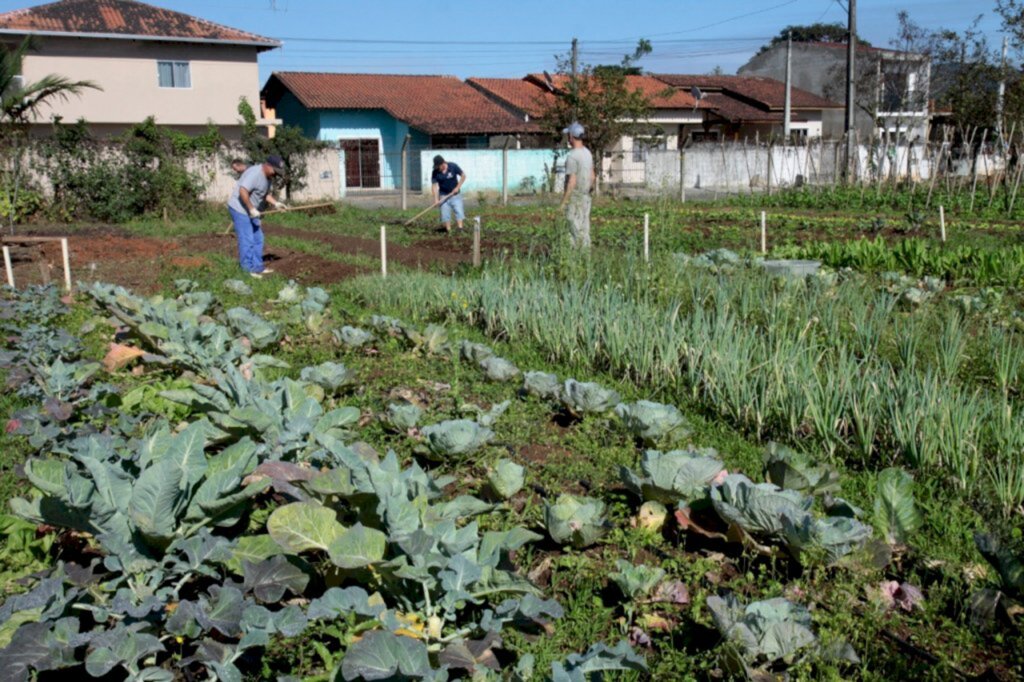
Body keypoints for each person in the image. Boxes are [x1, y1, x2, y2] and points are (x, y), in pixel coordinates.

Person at [227, 156, 289, 278]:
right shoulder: (255, 173)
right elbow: (243, 191)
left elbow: (264, 194)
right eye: (274, 171)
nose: (275, 174)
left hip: (251, 210)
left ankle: (257, 267)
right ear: (268, 165)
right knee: (247, 238)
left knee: (258, 238)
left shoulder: (269, 177)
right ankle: (247, 270)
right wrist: (251, 208)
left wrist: (276, 203)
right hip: (240, 209)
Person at [559, 122, 594, 249]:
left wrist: (564, 202)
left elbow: (572, 181)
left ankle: (578, 255)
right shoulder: (587, 153)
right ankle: (584, 258)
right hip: (586, 196)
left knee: (572, 225)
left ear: (571, 137)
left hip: (576, 197)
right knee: (584, 228)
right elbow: (592, 176)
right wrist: (588, 191)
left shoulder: (572, 156)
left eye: (569, 135)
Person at [430, 155, 466, 233]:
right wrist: (436, 199)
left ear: (442, 164)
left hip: (455, 195)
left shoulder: (453, 166)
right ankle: (448, 230)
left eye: (438, 166)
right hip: (443, 195)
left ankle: (460, 229)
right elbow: (434, 186)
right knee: (445, 213)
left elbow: (463, 175)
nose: (437, 168)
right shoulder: (435, 172)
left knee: (458, 211)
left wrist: (457, 187)